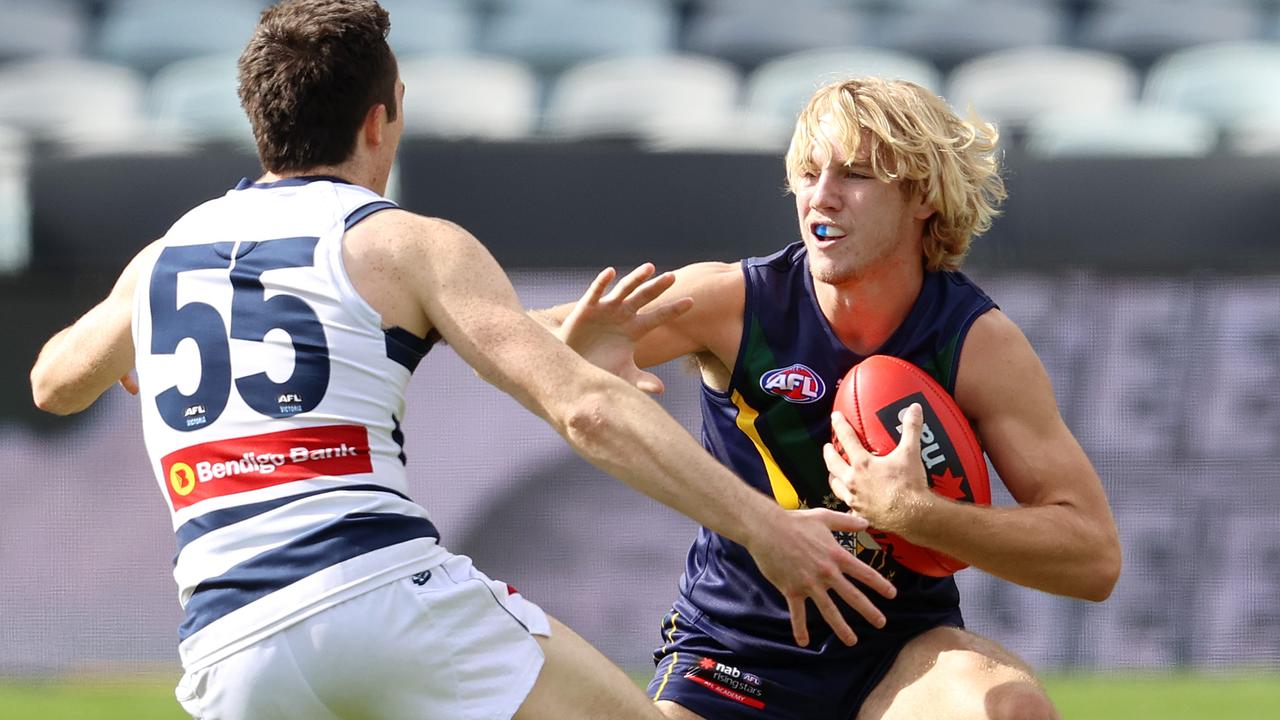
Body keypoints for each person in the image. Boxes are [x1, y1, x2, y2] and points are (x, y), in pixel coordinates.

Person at [27, 3, 900, 719]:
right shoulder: (405, 243)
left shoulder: (162, 261)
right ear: (384, 115)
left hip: (231, 648)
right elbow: (586, 411)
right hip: (378, 597)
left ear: (259, 117)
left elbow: (54, 382)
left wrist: (133, 350)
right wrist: (768, 529)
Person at [535, 77, 1122, 719]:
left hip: (899, 658)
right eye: (808, 173)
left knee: (1012, 711)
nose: (821, 197)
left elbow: (1093, 558)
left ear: (922, 195)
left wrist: (915, 513)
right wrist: (568, 344)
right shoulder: (735, 302)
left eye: (856, 176)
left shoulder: (975, 343)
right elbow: (506, 333)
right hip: (735, 654)